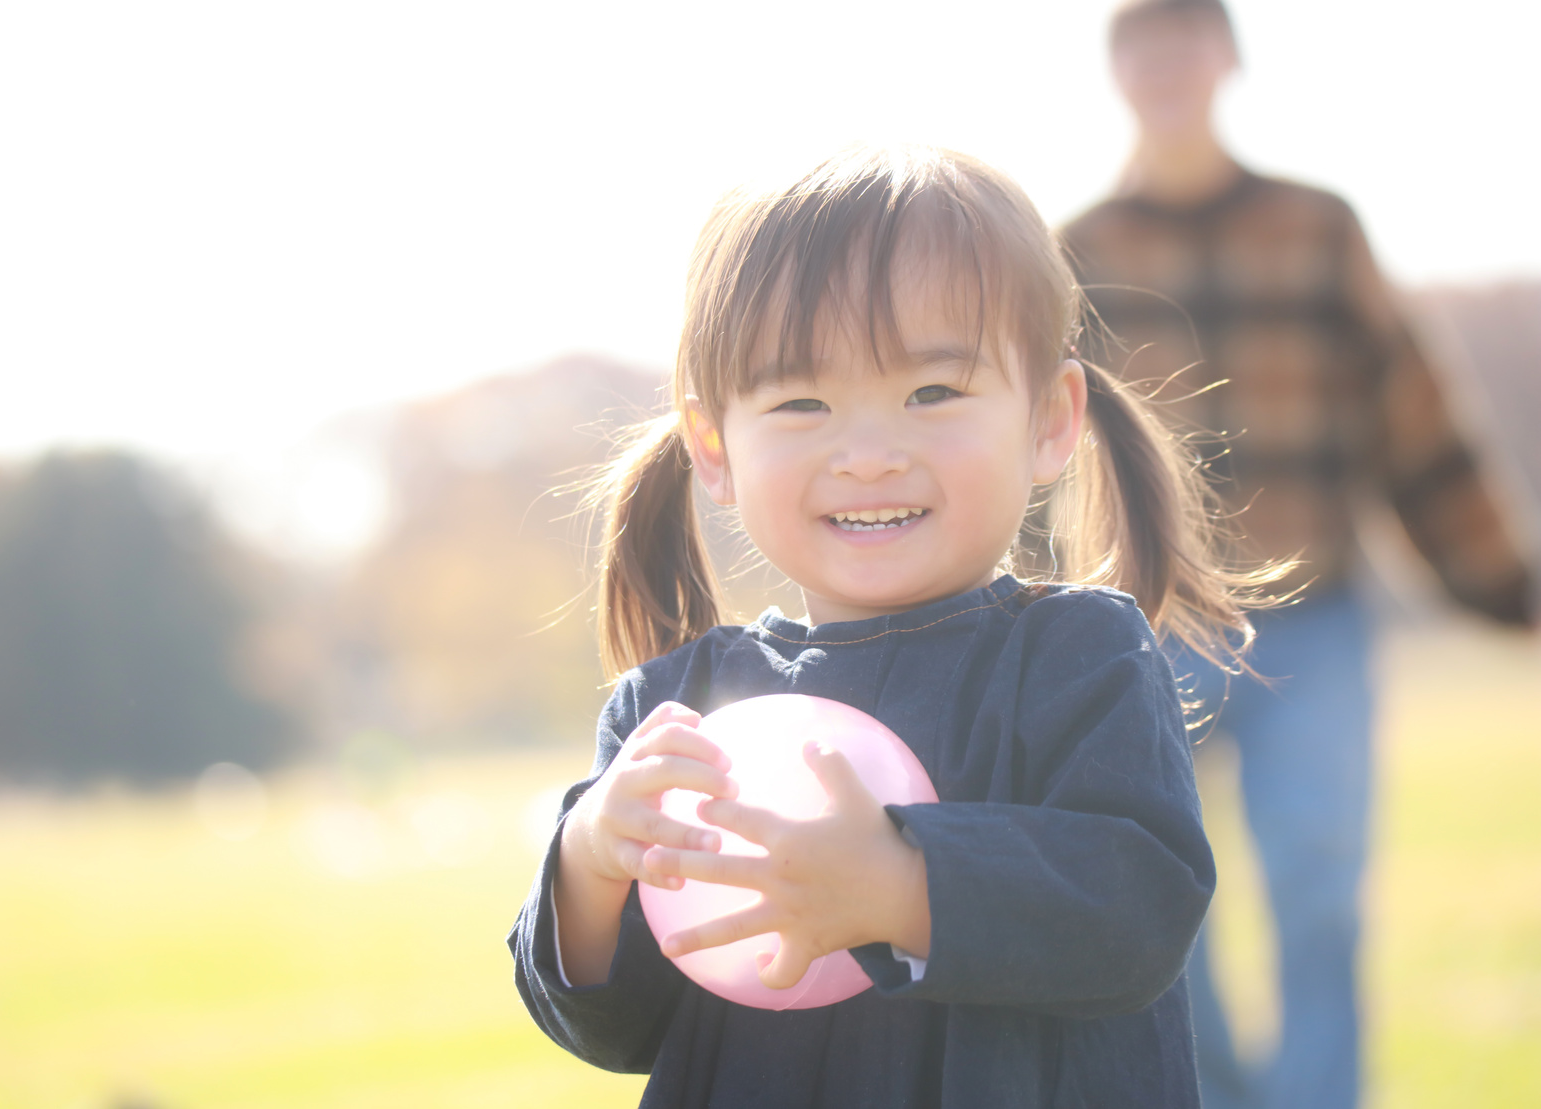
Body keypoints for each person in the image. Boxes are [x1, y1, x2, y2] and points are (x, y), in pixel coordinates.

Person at [508, 144, 1278, 1108]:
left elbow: (1139, 913)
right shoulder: (677, 710)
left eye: (931, 392)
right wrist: (589, 861)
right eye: (801, 402)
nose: (867, 454)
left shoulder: (1079, 657)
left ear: (1048, 416)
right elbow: (616, 1024)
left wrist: (897, 883)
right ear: (714, 448)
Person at [1061, 4, 1537, 1108]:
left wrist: (1512, 591)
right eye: (1139, 41)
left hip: (1315, 621)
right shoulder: (1075, 251)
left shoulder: (1319, 227)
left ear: (1226, 59)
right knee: (1156, 897)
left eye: (1186, 36)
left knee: (1320, 893)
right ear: (1115, 72)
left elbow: (1414, 420)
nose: (1164, 63)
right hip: (1142, 626)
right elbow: (1036, 456)